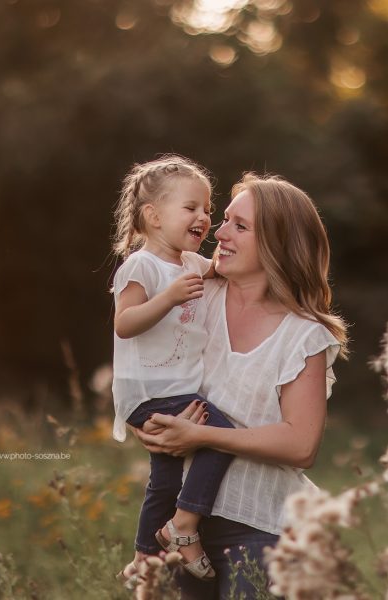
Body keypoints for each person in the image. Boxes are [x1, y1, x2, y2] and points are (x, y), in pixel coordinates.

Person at [133, 173, 349, 599]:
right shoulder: (194, 296)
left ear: (277, 243)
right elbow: (148, 361)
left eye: (240, 226)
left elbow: (301, 444)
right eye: (225, 219)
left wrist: (198, 435)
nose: (220, 231)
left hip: (261, 530)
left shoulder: (303, 335)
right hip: (175, 525)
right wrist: (148, 422)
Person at [110, 155, 236, 581]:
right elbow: (124, 324)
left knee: (164, 477)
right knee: (221, 436)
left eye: (208, 209)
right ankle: (184, 526)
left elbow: (222, 270)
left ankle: (144, 556)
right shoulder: (141, 265)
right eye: (191, 208)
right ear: (153, 216)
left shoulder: (190, 264)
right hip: (150, 389)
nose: (203, 217)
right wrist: (168, 298)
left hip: (175, 387)